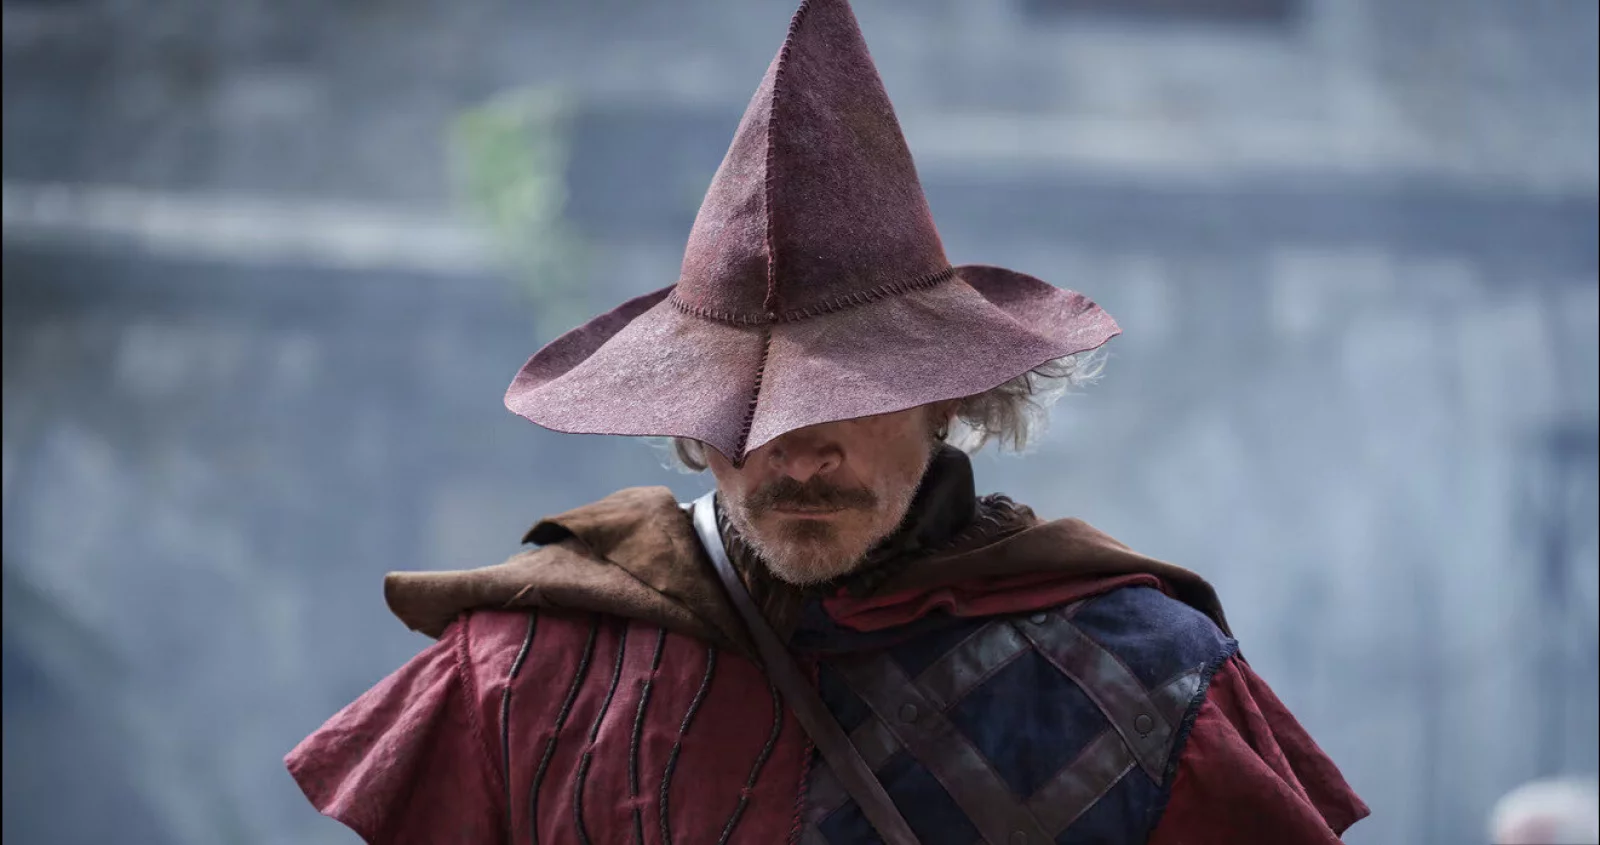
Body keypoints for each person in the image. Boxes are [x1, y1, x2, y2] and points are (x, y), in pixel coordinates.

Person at [286, 0, 1369, 842]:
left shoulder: (1144, 679)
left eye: (848, 391)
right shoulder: (520, 672)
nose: (800, 452)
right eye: (753, 400)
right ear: (693, 416)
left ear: (947, 391)